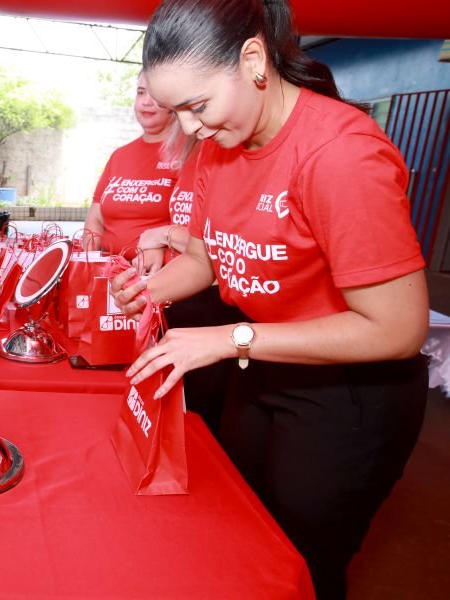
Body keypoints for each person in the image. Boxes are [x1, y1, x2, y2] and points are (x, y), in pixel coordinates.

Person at [113, 1, 428, 597]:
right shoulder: (219, 143)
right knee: (239, 533)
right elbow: (210, 258)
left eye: (197, 106)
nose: (187, 129)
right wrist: (144, 289)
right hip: (263, 363)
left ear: (253, 59)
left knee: (301, 566)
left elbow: (397, 328)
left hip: (351, 392)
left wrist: (228, 339)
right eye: (176, 110)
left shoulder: (339, 155)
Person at [84, 71, 181, 268]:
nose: (146, 102)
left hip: (157, 274)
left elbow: (193, 233)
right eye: (140, 92)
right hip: (108, 272)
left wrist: (161, 248)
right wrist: (88, 264)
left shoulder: (187, 155)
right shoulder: (119, 156)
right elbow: (94, 220)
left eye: (154, 94)